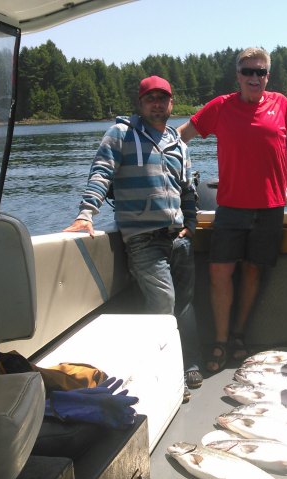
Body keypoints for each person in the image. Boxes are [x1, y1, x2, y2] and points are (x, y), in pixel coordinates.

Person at [178, 47, 287, 373]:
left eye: (260, 72)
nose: (254, 77)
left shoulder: (281, 104)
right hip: (231, 208)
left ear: (268, 75)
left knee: (253, 271)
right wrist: (164, 173)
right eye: (248, 71)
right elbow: (182, 137)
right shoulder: (220, 107)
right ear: (237, 75)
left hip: (269, 208)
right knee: (219, 272)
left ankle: (238, 336)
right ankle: (220, 341)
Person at [64, 76, 203, 398]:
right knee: (163, 303)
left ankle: (189, 363)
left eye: (163, 98)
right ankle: (168, 378)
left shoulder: (178, 143)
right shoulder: (122, 134)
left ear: (171, 103)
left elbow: (188, 188)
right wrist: (86, 213)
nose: (157, 104)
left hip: (178, 237)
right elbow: (101, 172)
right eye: (150, 98)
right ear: (140, 104)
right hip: (143, 239)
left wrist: (192, 222)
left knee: (185, 305)